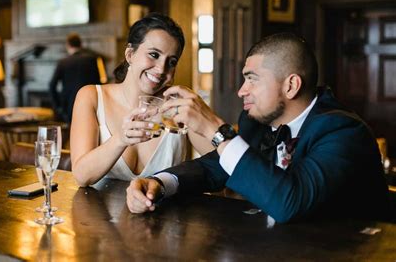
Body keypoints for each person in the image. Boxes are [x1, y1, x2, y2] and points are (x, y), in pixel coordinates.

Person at [126, 32, 390, 223]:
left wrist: (215, 130)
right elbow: (214, 167)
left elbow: (289, 203)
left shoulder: (343, 131)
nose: (242, 91)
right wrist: (158, 182)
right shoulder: (257, 122)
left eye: (252, 80)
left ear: (291, 85)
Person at [69, 13, 213, 187]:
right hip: (99, 214)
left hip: (168, 213)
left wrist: (200, 113)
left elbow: (222, 164)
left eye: (172, 62)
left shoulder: (178, 105)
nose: (161, 69)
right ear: (130, 54)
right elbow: (82, 176)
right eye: (154, 54)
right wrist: (120, 139)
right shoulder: (91, 96)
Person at [49, 33, 105, 123]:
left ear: (68, 45)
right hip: (90, 104)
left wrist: (58, 106)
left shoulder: (63, 62)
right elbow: (100, 83)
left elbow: (52, 85)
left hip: (68, 107)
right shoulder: (93, 60)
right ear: (80, 44)